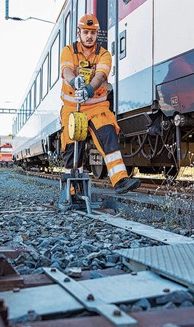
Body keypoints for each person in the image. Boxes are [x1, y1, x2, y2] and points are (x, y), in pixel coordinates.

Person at [59, 13, 140, 195]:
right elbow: (66, 70)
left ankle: (120, 180)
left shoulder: (104, 54)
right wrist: (74, 82)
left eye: (93, 33)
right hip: (73, 108)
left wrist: (88, 89)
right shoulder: (68, 51)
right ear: (78, 32)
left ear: (97, 35)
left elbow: (101, 75)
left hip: (96, 107)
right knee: (73, 149)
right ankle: (72, 191)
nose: (89, 36)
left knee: (108, 134)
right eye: (86, 32)